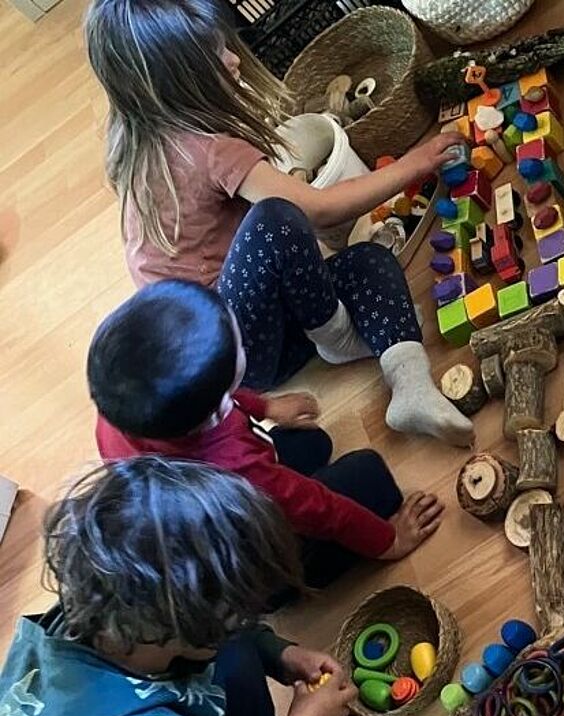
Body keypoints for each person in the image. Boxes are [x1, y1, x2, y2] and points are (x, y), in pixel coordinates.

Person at [83, 0, 474, 447]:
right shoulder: (207, 149)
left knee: (369, 260)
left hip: (250, 336)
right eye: (217, 56)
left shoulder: (138, 135)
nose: (234, 60)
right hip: (239, 354)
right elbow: (318, 210)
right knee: (276, 219)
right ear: (179, 81)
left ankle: (411, 385)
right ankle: (337, 337)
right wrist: (413, 164)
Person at [0, 457, 360, 716]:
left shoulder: (106, 603)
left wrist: (279, 653)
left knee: (234, 656)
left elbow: (225, 636)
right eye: (235, 615)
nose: (247, 619)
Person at [89, 280, 444, 587]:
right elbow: (321, 510)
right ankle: (291, 588)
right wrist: (390, 541)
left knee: (313, 443)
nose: (243, 344)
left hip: (215, 510)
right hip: (260, 561)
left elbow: (219, 399)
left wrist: (266, 407)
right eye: (239, 348)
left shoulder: (121, 409)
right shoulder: (239, 471)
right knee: (371, 475)